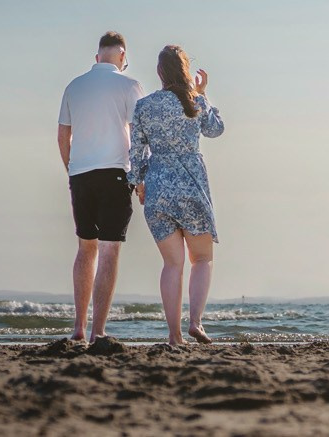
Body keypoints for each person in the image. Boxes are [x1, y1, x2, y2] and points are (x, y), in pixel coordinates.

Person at [130, 45, 225, 345]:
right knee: (201, 259)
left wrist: (138, 182)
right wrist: (203, 92)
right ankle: (195, 322)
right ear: (185, 71)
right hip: (192, 185)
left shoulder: (144, 106)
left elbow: (135, 152)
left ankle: (174, 336)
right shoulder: (194, 101)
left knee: (172, 264)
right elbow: (215, 130)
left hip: (158, 186)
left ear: (159, 72)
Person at [56, 30, 142, 346]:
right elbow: (139, 136)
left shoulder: (74, 86)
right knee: (109, 249)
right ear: (122, 57)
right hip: (115, 173)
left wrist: (72, 169)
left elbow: (63, 136)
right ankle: (97, 331)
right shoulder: (130, 85)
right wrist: (141, 178)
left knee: (85, 247)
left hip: (81, 174)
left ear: (97, 57)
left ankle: (78, 326)